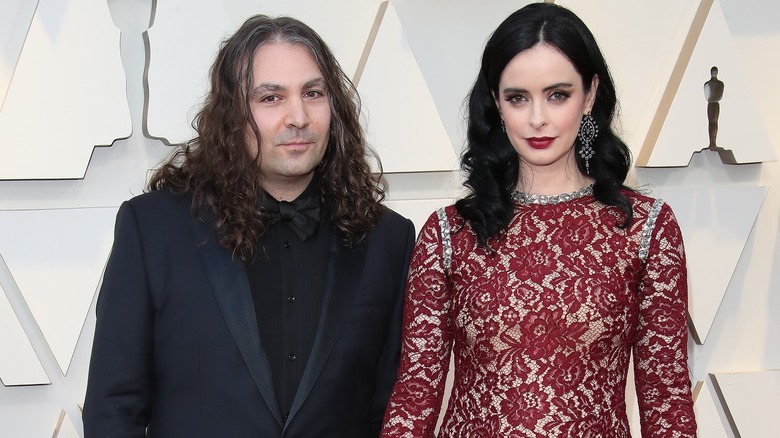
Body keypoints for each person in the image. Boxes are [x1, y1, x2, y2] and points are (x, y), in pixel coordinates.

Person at [83, 15, 415, 437]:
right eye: (271, 98)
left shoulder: (389, 239)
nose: (298, 116)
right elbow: (112, 410)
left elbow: (391, 412)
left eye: (313, 93)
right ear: (232, 114)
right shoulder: (152, 230)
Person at [381, 3, 696, 437]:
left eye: (558, 95)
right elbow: (416, 394)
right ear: (495, 102)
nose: (537, 119)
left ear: (589, 94)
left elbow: (667, 401)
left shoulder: (646, 228)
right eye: (517, 98)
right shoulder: (449, 233)